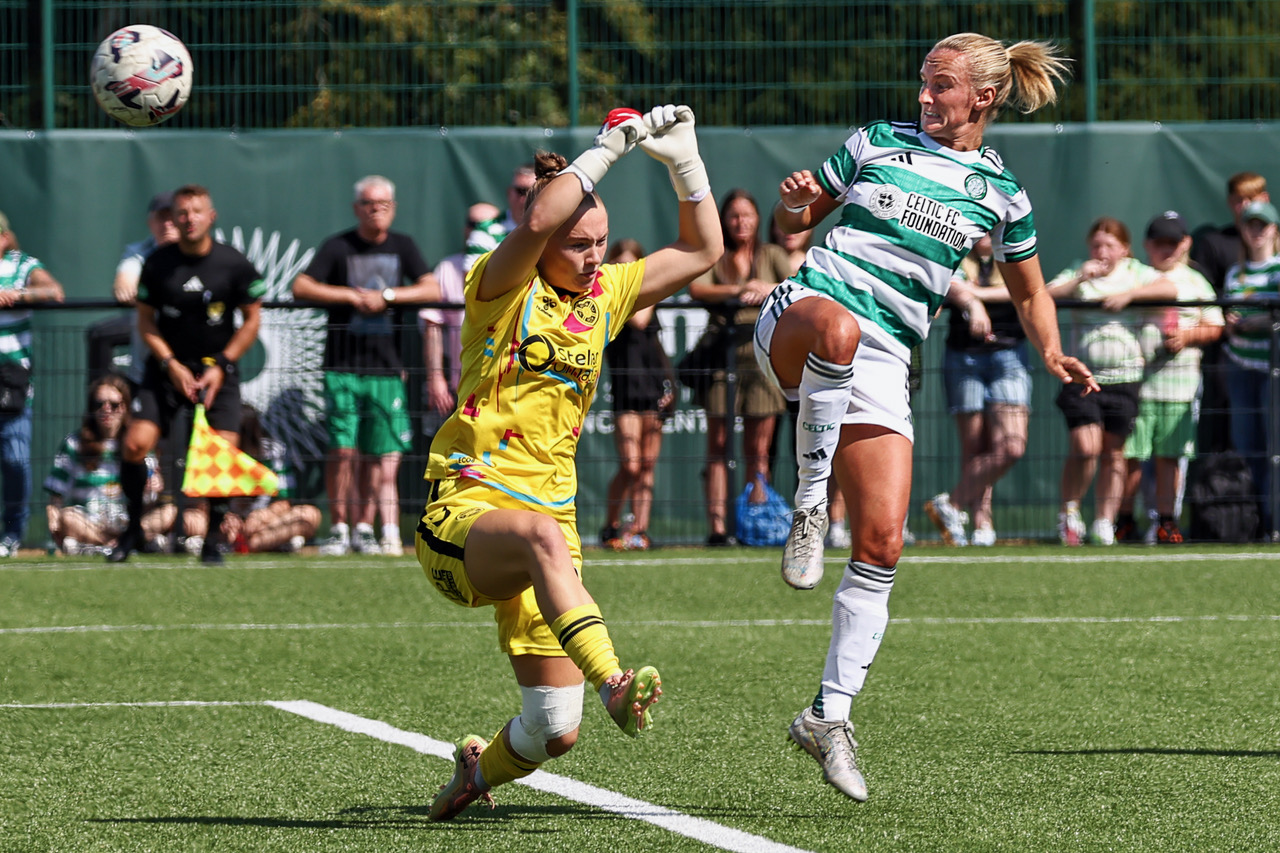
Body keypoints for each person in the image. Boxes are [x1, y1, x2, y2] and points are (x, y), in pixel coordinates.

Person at [755, 34, 1095, 802]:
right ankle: (810, 502)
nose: (922, 97)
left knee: (882, 539)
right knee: (838, 330)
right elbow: (792, 226)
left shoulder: (1001, 191)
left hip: (882, 364)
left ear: (983, 97)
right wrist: (791, 199)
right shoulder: (875, 142)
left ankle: (827, 715)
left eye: (938, 86)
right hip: (800, 319)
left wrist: (1049, 353)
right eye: (921, 83)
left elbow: (1032, 289)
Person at [417, 104, 720, 821]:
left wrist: (684, 160)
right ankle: (616, 679)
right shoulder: (500, 290)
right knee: (540, 537)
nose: (595, 257)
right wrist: (609, 147)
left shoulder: (604, 295)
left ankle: (473, 770)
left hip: (547, 529)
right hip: (463, 511)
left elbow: (702, 249)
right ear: (547, 241)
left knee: (554, 728)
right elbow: (530, 224)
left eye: (603, 242)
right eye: (579, 243)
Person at [106, 184, 265, 564]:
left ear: (211, 216)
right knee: (134, 444)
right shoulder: (158, 263)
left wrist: (222, 365)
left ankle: (212, 540)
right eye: (182, 213)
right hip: (166, 370)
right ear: (173, 219)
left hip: (217, 372)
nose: (189, 218)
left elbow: (252, 319)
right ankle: (132, 531)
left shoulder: (233, 263)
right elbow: (146, 322)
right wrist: (169, 364)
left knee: (222, 452)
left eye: (196, 211)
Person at [292, 175, 440, 557]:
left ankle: (365, 528)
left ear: (393, 208)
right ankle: (339, 527)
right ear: (357, 208)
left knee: (377, 455)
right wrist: (348, 297)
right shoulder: (338, 246)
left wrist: (387, 296)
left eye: (384, 204)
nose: (377, 210)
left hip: (386, 369)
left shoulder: (403, 246)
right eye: (369, 204)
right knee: (342, 450)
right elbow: (302, 286)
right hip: (342, 367)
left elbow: (432, 289)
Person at [1046, 217, 1177, 546]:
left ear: (1124, 249)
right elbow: (1045, 293)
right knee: (1085, 447)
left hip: (1125, 377)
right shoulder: (1080, 269)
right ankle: (1069, 512)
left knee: (1114, 453)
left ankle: (1104, 521)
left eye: (1109, 245)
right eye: (1096, 245)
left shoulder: (1136, 273)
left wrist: (1129, 296)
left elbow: (1170, 289)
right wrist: (1080, 278)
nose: (1101, 251)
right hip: (1082, 375)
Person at [1114, 211, 1224, 545]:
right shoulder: (1134, 275)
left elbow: (1216, 324)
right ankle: (1123, 521)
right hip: (1134, 383)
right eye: (1159, 243)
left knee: (1170, 457)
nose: (1166, 249)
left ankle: (1167, 523)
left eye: (1173, 243)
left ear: (1186, 243)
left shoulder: (1196, 281)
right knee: (1131, 456)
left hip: (1180, 386)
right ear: (1147, 245)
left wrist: (1187, 337)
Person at [689, 189, 791, 545]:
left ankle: (755, 524)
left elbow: (797, 286)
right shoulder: (716, 255)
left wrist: (766, 289)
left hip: (762, 357)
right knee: (717, 445)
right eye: (733, 216)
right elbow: (697, 289)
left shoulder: (772, 254)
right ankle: (718, 528)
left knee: (758, 449)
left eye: (747, 215)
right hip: (722, 358)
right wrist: (738, 291)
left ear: (758, 218)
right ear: (723, 220)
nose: (740, 222)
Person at [924, 234, 1031, 547]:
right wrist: (971, 297)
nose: (984, 234)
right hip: (963, 357)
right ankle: (979, 522)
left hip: (1010, 356)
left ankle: (950, 504)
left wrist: (975, 294)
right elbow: (948, 286)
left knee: (1011, 446)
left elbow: (1026, 289)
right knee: (973, 449)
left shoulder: (1015, 252)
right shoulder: (954, 252)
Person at [599, 239, 674, 551]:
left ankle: (640, 531)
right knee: (629, 464)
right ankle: (611, 523)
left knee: (646, 466)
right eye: (618, 265)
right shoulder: (610, 299)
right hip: (625, 393)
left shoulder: (646, 297)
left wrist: (671, 388)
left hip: (653, 390)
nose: (624, 272)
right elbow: (636, 318)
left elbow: (648, 332)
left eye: (631, 266)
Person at [45, 375, 174, 555]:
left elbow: (150, 501)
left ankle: (112, 544)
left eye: (114, 405)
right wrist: (54, 521)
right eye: (99, 404)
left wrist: (153, 489)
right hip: (90, 523)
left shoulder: (138, 444)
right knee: (67, 517)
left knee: (169, 512)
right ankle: (123, 545)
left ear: (126, 407)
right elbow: (55, 497)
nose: (107, 410)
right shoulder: (74, 443)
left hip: (131, 521)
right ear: (91, 409)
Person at [0, 209, 66, 557]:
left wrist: (18, 296)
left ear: (6, 238)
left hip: (10, 382)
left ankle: (12, 532)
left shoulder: (22, 265)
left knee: (16, 459)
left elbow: (53, 290)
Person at [1190, 172, 1269, 456]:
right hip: (1232, 357)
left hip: (1272, 357)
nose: (1246, 206)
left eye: (1252, 199)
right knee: (1238, 434)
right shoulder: (1216, 244)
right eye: (1239, 200)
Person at [185, 405, 321, 554]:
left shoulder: (273, 452)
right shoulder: (215, 452)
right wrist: (225, 519)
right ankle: (260, 544)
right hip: (219, 523)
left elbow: (284, 501)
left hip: (263, 525)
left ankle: (248, 544)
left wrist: (260, 517)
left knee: (310, 515)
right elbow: (201, 499)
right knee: (182, 516)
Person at [1222, 199, 1280, 535]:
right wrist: (1232, 324)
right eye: (1250, 225)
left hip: (1272, 370)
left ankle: (1275, 521)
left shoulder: (1277, 268)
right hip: (1239, 366)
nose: (1256, 231)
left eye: (1263, 224)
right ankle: (1253, 522)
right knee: (1247, 448)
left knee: (1275, 449)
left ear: (1274, 229)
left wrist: (1252, 322)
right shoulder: (1234, 272)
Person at [420, 202, 502, 436]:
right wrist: (436, 378)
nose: (477, 230)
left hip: (504, 384)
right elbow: (432, 326)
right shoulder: (446, 268)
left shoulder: (518, 267)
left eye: (485, 225)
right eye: (472, 224)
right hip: (461, 387)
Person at [87, 192, 179, 386]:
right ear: (150, 222)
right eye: (162, 218)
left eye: (173, 217)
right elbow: (124, 288)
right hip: (148, 366)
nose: (168, 224)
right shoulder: (139, 251)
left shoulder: (200, 252)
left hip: (190, 362)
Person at [463, 163, 537, 270]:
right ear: (509, 193)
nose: (525, 198)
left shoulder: (556, 230)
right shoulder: (486, 231)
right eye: (520, 191)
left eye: (532, 192)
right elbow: (472, 280)